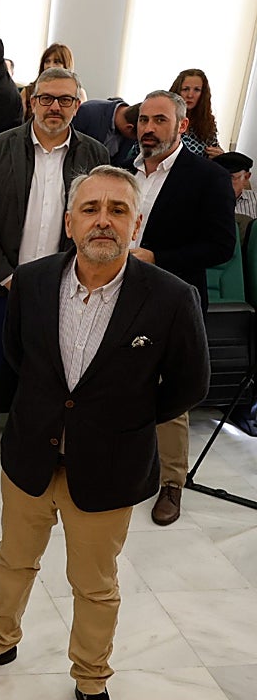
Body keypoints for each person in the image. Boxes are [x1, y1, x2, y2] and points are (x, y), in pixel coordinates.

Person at [0, 165, 210, 700]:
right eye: (90, 209)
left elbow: (189, 384)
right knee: (13, 562)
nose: (103, 221)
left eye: (118, 210)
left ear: (136, 223)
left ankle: (91, 681)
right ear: (69, 223)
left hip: (109, 467)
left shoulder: (172, 297)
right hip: (31, 458)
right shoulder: (32, 282)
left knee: (95, 586)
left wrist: (124, 419)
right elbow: (18, 357)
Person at [0, 68, 108, 478]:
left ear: (77, 106)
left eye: (65, 100)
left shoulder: (94, 155)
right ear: (31, 102)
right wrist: (6, 276)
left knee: (49, 372)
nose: (55, 107)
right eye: (46, 98)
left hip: (62, 286)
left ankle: (35, 442)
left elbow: (96, 220)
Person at [130, 90, 235, 525]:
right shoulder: (125, 169)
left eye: (159, 120)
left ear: (182, 126)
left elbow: (221, 246)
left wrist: (157, 257)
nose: (149, 128)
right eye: (143, 120)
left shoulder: (207, 177)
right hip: (120, 293)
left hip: (172, 297)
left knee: (170, 391)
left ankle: (172, 482)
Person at [72, 99, 139, 169]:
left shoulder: (132, 125)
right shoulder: (87, 112)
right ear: (129, 127)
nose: (136, 141)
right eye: (136, 138)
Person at [170, 68, 222, 158]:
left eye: (197, 90)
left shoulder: (207, 123)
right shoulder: (166, 121)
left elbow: (215, 150)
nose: (190, 95)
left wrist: (221, 156)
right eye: (185, 89)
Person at [21, 44, 83, 111]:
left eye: (56, 62)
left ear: (66, 65)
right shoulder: (27, 92)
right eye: (47, 61)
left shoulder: (79, 93)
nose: (50, 66)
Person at [216, 151, 257, 223]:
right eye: (219, 177)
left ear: (246, 177)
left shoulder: (255, 200)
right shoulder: (205, 199)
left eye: (231, 177)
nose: (223, 183)